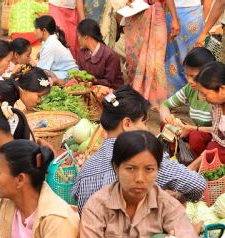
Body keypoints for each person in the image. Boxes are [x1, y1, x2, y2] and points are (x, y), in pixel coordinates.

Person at [80, 130, 201, 238]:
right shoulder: (96, 207)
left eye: (149, 169)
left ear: (158, 169)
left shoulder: (167, 205)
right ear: (116, 168)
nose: (139, 179)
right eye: (130, 168)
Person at [72, 85, 206, 214]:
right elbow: (197, 185)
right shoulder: (144, 157)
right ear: (127, 124)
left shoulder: (87, 168)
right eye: (143, 122)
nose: (146, 128)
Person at [159, 48, 215, 158]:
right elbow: (165, 105)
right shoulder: (189, 89)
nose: (189, 80)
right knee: (166, 125)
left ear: (208, 73)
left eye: (193, 76)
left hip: (213, 137)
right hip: (194, 130)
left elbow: (220, 130)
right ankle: (173, 156)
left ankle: (200, 164)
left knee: (196, 137)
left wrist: (191, 129)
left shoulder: (217, 95)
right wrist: (168, 119)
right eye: (187, 75)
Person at [124, 0, 180, 106]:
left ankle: (161, 106)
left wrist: (174, 18)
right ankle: (136, 105)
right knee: (134, 62)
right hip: (135, 13)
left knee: (156, 63)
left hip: (157, 13)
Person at [164, 0, 209, 96]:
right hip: (172, 13)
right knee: (172, 59)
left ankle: (196, 97)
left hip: (194, 15)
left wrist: (204, 21)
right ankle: (175, 97)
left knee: (193, 58)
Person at [76, 19, 123, 90]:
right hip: (90, 89)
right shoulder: (81, 53)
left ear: (86, 37)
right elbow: (81, 73)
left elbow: (110, 82)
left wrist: (95, 80)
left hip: (113, 94)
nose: (78, 39)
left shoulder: (110, 55)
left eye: (79, 36)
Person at [194, 61, 225, 162]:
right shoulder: (216, 107)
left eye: (205, 94)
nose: (202, 98)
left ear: (222, 89)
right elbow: (215, 136)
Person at [34, 15, 78, 83]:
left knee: (38, 78)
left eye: (36, 28)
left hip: (69, 78)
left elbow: (40, 71)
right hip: (64, 74)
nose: (34, 32)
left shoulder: (50, 45)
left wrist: (29, 61)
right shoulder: (50, 42)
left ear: (44, 30)